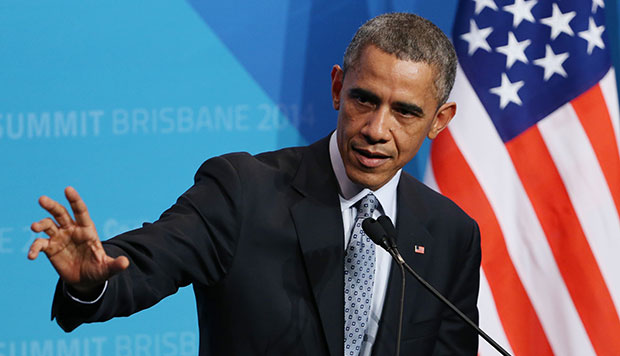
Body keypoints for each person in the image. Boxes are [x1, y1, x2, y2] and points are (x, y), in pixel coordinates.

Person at [29, 13, 480, 356]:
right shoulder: (244, 190)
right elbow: (150, 261)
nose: (377, 129)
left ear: (440, 120)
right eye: (364, 99)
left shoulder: (449, 233)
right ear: (337, 88)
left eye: (405, 111)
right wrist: (91, 283)